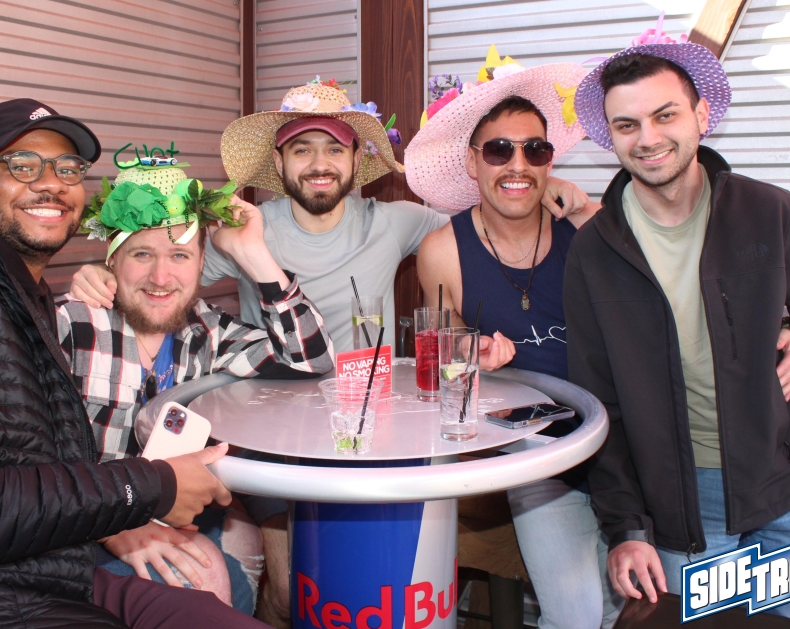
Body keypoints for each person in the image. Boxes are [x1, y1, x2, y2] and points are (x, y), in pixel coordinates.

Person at [69, 77, 595, 627]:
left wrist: (541, 184)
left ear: (356, 159)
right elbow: (164, 267)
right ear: (279, 161)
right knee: (294, 592)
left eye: (334, 148)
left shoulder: (396, 222)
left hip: (377, 437)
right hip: (271, 443)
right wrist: (99, 275)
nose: (319, 163)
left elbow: (486, 220)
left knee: (385, 581)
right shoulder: (243, 231)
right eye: (302, 149)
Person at [408, 53, 790, 629]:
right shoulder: (444, 251)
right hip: (545, 457)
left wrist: (787, 327)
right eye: (498, 150)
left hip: (639, 448)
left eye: (535, 150)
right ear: (472, 161)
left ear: (551, 160)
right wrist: (475, 360)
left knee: (660, 607)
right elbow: (445, 365)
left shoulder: (592, 228)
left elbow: (696, 294)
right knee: (576, 615)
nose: (517, 164)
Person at [0, 98, 268, 629]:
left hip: (39, 567)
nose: (50, 184)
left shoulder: (16, 293)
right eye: (22, 164)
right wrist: (148, 489)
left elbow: (31, 466)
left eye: (67, 169)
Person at [565, 18, 790, 629]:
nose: (648, 138)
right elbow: (598, 401)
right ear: (609, 137)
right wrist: (626, 526)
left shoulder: (770, 211)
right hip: (683, 507)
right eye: (627, 124)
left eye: (665, 115)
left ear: (701, 116)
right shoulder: (594, 251)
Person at [57, 159, 334, 615]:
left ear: (202, 263)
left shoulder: (206, 331)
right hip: (82, 528)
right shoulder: (73, 325)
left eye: (180, 255)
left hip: (168, 509)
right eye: (141, 254)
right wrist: (114, 524)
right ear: (112, 259)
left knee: (245, 555)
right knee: (206, 574)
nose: (161, 278)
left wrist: (253, 254)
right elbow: (26, 466)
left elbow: (311, 359)